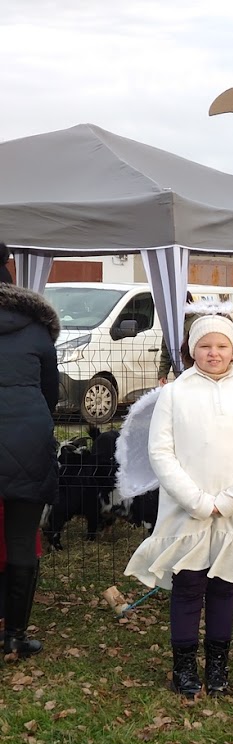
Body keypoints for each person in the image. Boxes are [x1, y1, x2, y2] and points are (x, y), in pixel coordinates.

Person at [125, 314, 233, 698]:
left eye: (222, 346)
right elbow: (161, 452)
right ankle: (185, 666)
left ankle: (218, 664)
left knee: (224, 586)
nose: (214, 353)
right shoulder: (175, 394)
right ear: (192, 350)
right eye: (205, 346)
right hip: (185, 511)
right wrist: (197, 501)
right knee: (188, 585)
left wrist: (231, 500)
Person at [0, 259, 59, 656]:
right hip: (29, 441)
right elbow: (50, 394)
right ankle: (15, 635)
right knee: (22, 539)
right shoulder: (37, 331)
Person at [157, 292, 196, 385]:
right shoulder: (171, 322)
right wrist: (163, 373)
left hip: (196, 372)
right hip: (180, 374)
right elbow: (166, 350)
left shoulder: (198, 320)